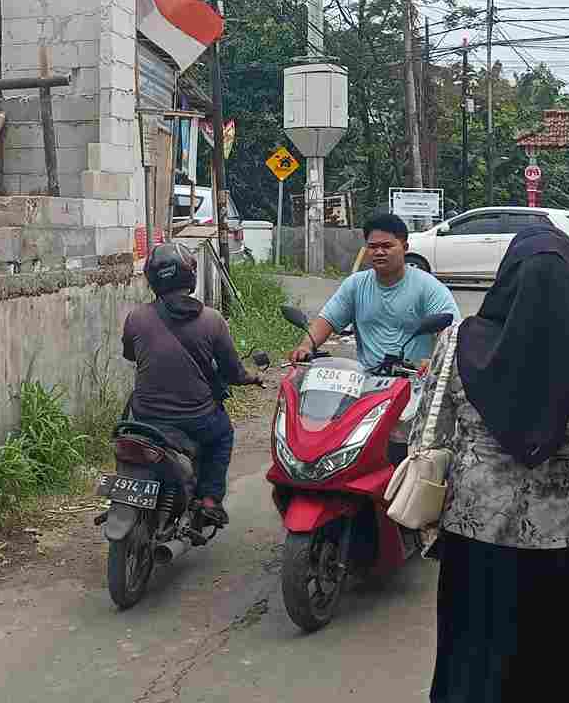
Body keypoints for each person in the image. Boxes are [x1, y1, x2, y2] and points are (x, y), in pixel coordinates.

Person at [424, 227, 569, 703]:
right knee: (560, 677)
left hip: (475, 546)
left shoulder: (455, 345)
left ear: (504, 279)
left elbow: (428, 438)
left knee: (475, 672)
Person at [121, 243, 260, 525]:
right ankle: (209, 499)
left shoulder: (136, 318)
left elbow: (130, 355)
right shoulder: (212, 320)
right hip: (197, 419)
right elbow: (232, 372)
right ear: (190, 275)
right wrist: (250, 377)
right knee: (223, 435)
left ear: (152, 279)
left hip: (146, 418)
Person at [290, 213, 460, 368]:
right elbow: (327, 320)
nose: (379, 252)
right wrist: (306, 346)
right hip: (365, 380)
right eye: (373, 246)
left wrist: (434, 364)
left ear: (405, 247)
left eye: (387, 246)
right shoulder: (355, 285)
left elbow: (451, 337)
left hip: (414, 381)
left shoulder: (429, 288)